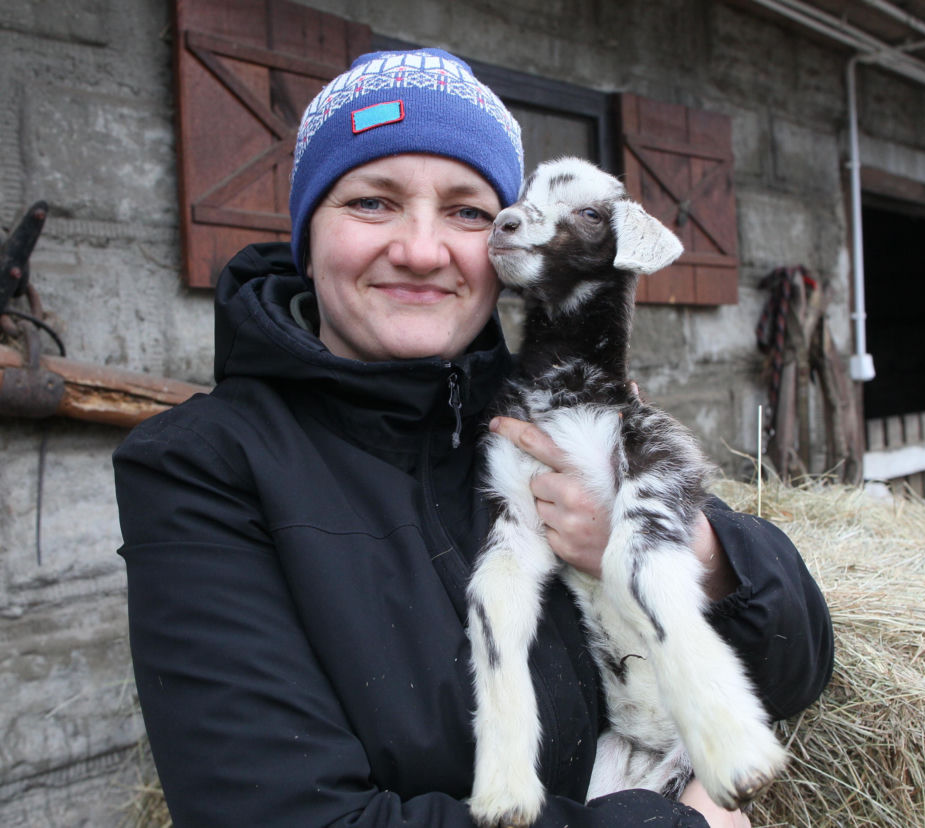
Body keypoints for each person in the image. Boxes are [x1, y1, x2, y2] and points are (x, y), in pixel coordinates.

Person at [114, 47, 833, 828]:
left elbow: (798, 666)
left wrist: (693, 551)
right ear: (306, 232)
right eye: (371, 202)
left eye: (466, 212)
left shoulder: (547, 412)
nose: (422, 251)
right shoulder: (202, 470)